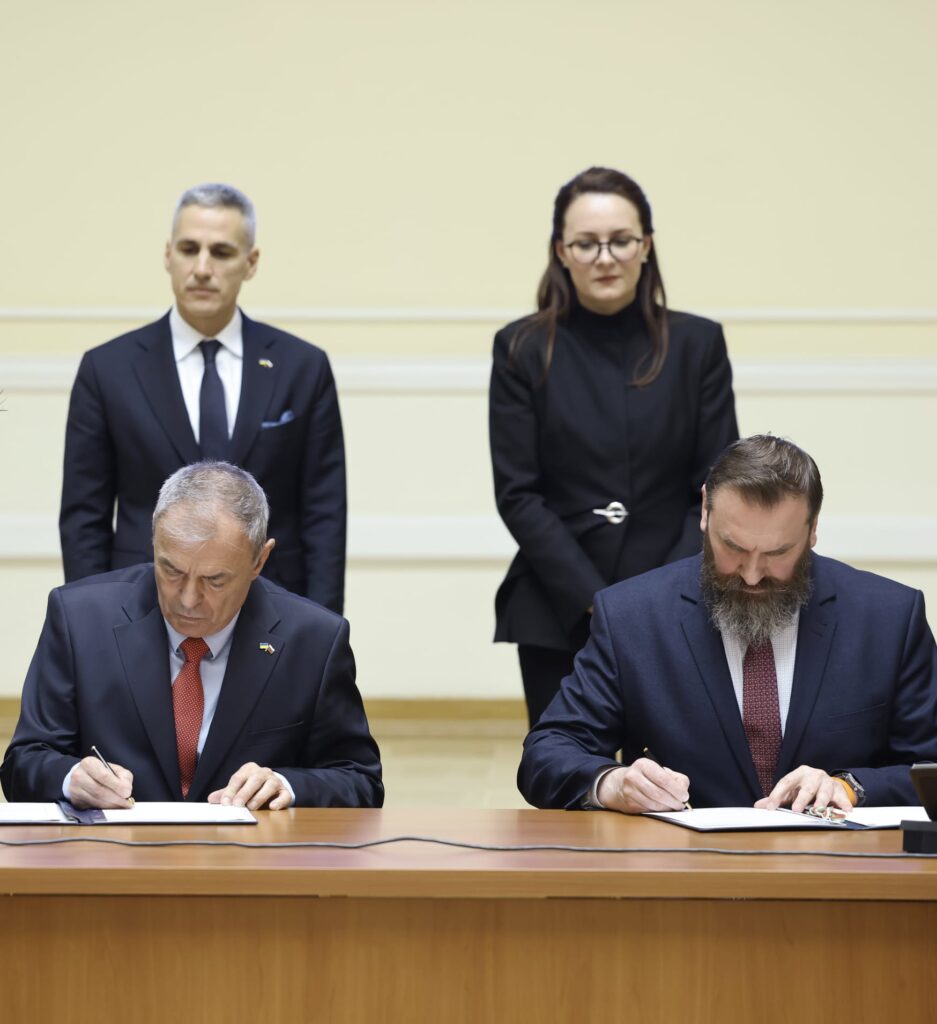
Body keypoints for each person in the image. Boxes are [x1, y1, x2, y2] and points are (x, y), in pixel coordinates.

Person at [518, 435, 937, 812]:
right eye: (733, 546)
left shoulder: (889, 618)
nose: (752, 574)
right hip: (684, 865)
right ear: (705, 511)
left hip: (840, 865)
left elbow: (929, 765)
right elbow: (547, 752)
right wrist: (612, 783)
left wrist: (851, 787)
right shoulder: (632, 616)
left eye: (778, 552)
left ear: (813, 530)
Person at [489, 166, 738, 728]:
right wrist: (594, 599)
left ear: (646, 246)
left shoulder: (698, 343)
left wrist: (657, 597)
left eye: (621, 240)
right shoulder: (521, 347)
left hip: (676, 604)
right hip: (558, 606)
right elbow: (519, 494)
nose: (605, 257)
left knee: (674, 771)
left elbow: (716, 487)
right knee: (569, 768)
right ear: (562, 251)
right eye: (586, 243)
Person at [2, 462, 382, 809]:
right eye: (171, 571)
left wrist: (286, 785)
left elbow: (360, 780)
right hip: (115, 854)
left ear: (259, 561)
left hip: (250, 857)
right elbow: (24, 762)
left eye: (214, 580)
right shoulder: (80, 619)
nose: (187, 600)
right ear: (155, 542)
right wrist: (70, 779)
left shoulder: (313, 640)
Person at [59, 183, 346, 612]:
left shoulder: (302, 367)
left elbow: (324, 516)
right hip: (139, 605)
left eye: (222, 252)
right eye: (189, 249)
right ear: (168, 254)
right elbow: (84, 517)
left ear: (251, 262)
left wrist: (320, 627)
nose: (202, 268)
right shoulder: (107, 369)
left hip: (272, 608)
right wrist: (90, 621)